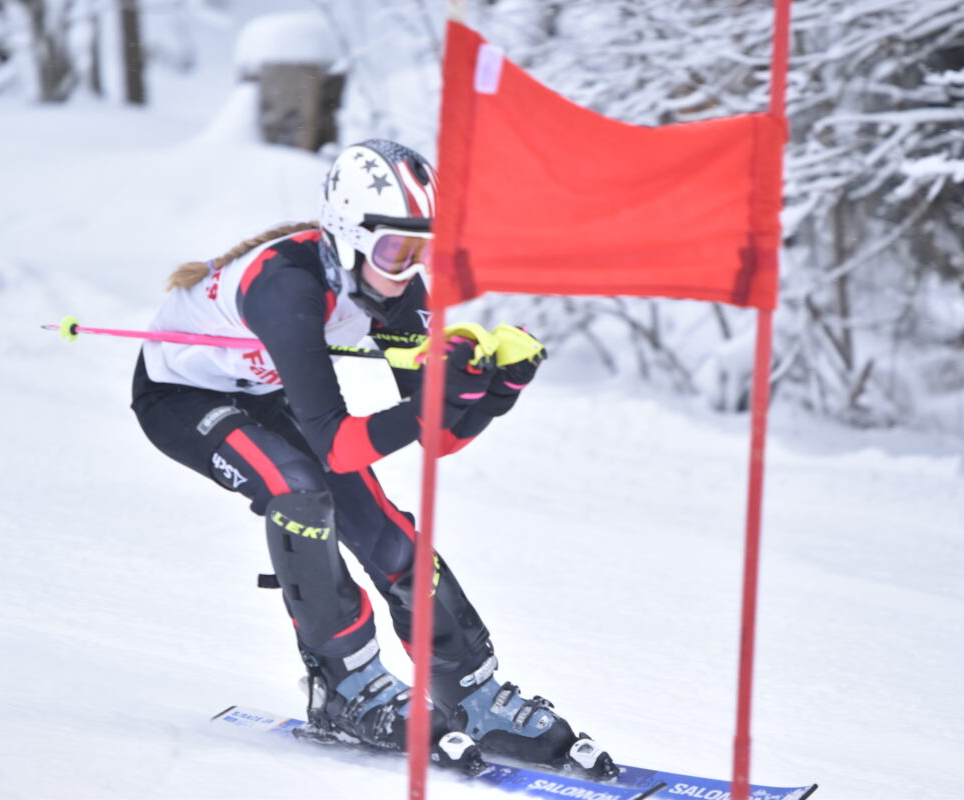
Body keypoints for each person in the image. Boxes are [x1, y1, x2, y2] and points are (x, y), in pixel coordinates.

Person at [130, 139, 614, 777]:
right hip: (182, 397)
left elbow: (440, 440)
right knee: (299, 491)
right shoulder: (285, 287)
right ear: (348, 235)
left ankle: (470, 691)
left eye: (422, 249)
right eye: (393, 248)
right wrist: (433, 404)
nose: (405, 266)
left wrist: (491, 393)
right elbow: (337, 441)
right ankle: (344, 685)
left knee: (384, 530)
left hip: (267, 393)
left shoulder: (401, 295)